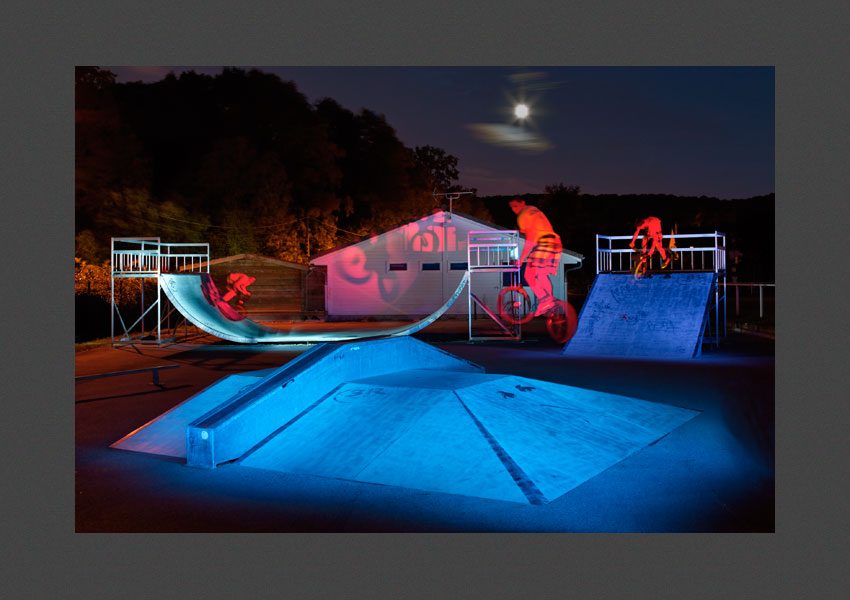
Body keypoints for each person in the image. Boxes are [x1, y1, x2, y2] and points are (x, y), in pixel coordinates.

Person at [508, 197, 562, 316]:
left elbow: (531, 239)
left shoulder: (522, 216)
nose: (514, 209)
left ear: (523, 203)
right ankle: (550, 302)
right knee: (542, 275)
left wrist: (521, 260)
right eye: (511, 207)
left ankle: (544, 300)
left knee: (529, 274)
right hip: (556, 243)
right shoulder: (533, 210)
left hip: (545, 243)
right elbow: (536, 227)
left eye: (515, 206)